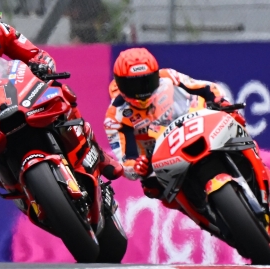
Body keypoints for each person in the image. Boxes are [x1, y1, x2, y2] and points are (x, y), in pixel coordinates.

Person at [0, 0, 123, 186]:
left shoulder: (2, 31)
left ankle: (96, 153)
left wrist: (42, 64)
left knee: (59, 92)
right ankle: (15, 188)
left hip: (10, 95)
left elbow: (34, 54)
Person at [104, 47, 248, 202]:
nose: (142, 91)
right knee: (151, 187)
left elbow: (205, 87)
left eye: (147, 81)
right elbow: (126, 161)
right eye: (134, 86)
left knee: (234, 121)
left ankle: (259, 168)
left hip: (194, 127)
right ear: (120, 84)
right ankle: (198, 210)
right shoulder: (115, 116)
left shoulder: (168, 77)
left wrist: (220, 100)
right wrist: (137, 167)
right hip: (161, 159)